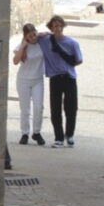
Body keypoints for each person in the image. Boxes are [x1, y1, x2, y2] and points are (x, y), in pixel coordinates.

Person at [40, 17, 83, 146]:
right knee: (55, 108)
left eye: (59, 26)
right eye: (55, 26)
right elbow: (31, 37)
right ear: (51, 28)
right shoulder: (46, 40)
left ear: (63, 26)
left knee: (71, 108)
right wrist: (42, 33)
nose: (57, 28)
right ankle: (58, 137)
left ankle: (69, 134)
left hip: (69, 77)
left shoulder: (72, 43)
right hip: (55, 78)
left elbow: (79, 60)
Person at [12, 22, 48, 146]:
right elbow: (15, 61)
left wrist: (43, 34)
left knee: (39, 107)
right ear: (26, 36)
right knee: (25, 108)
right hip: (23, 80)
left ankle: (36, 132)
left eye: (34, 35)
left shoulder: (41, 43)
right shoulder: (22, 46)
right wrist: (23, 46)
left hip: (38, 79)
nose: (33, 38)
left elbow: (50, 37)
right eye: (30, 36)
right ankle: (25, 133)